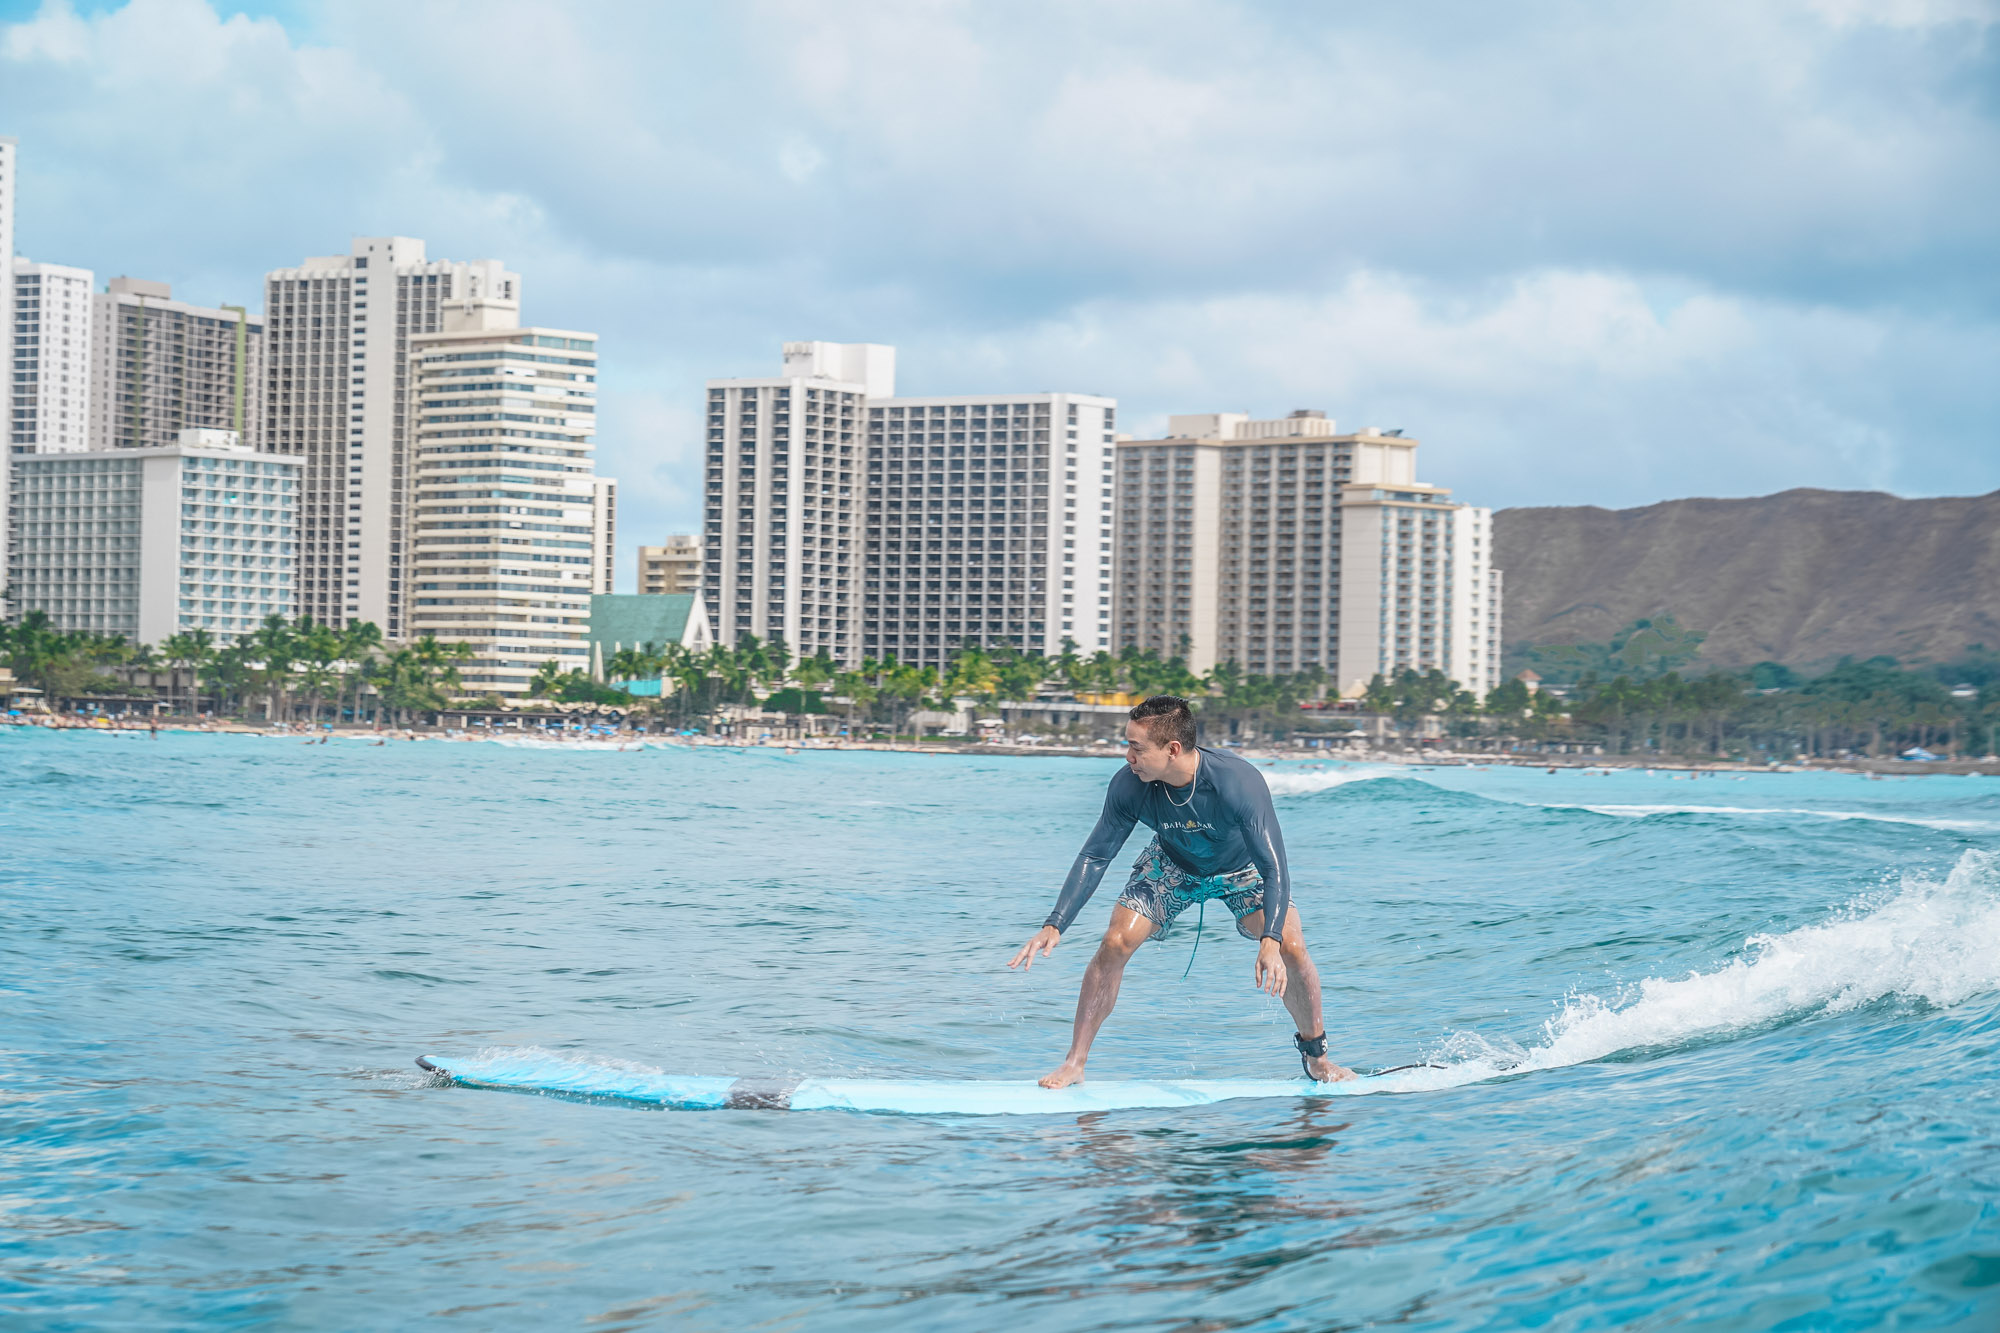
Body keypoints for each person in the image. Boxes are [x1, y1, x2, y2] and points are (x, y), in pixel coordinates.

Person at [1009, 695, 1355, 1089]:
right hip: (1172, 864)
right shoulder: (1130, 786)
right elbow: (1096, 854)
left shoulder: (1237, 783)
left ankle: (1319, 1059)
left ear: (1172, 749)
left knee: (1291, 946)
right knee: (1116, 942)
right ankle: (1074, 1063)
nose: (1127, 756)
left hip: (1241, 869)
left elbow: (1274, 868)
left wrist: (1271, 940)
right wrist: (1055, 925)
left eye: (1136, 747)